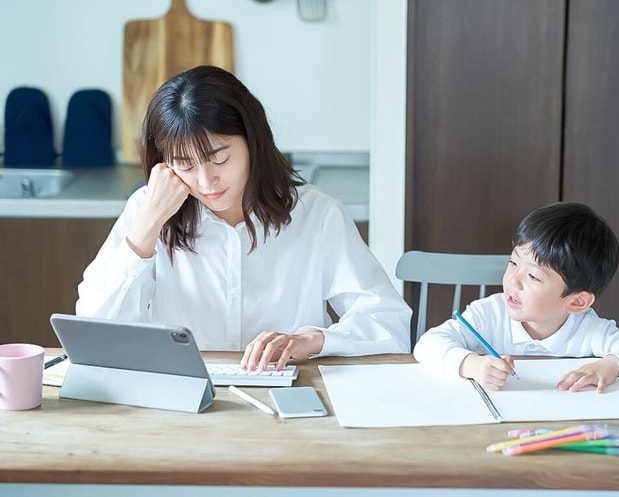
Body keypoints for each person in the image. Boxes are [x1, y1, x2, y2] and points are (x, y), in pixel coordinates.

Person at [76, 65, 412, 370]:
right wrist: (147, 225)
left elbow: (389, 324)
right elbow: (93, 329)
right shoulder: (147, 210)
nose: (206, 182)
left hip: (287, 393)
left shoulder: (318, 215)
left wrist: (310, 340)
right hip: (180, 395)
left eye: (219, 158)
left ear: (253, 141)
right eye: (185, 165)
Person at [413, 201, 619, 391]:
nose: (513, 280)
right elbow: (427, 344)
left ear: (577, 301)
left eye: (532, 276)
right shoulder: (489, 313)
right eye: (513, 263)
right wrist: (469, 363)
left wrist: (611, 365)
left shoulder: (588, 330)